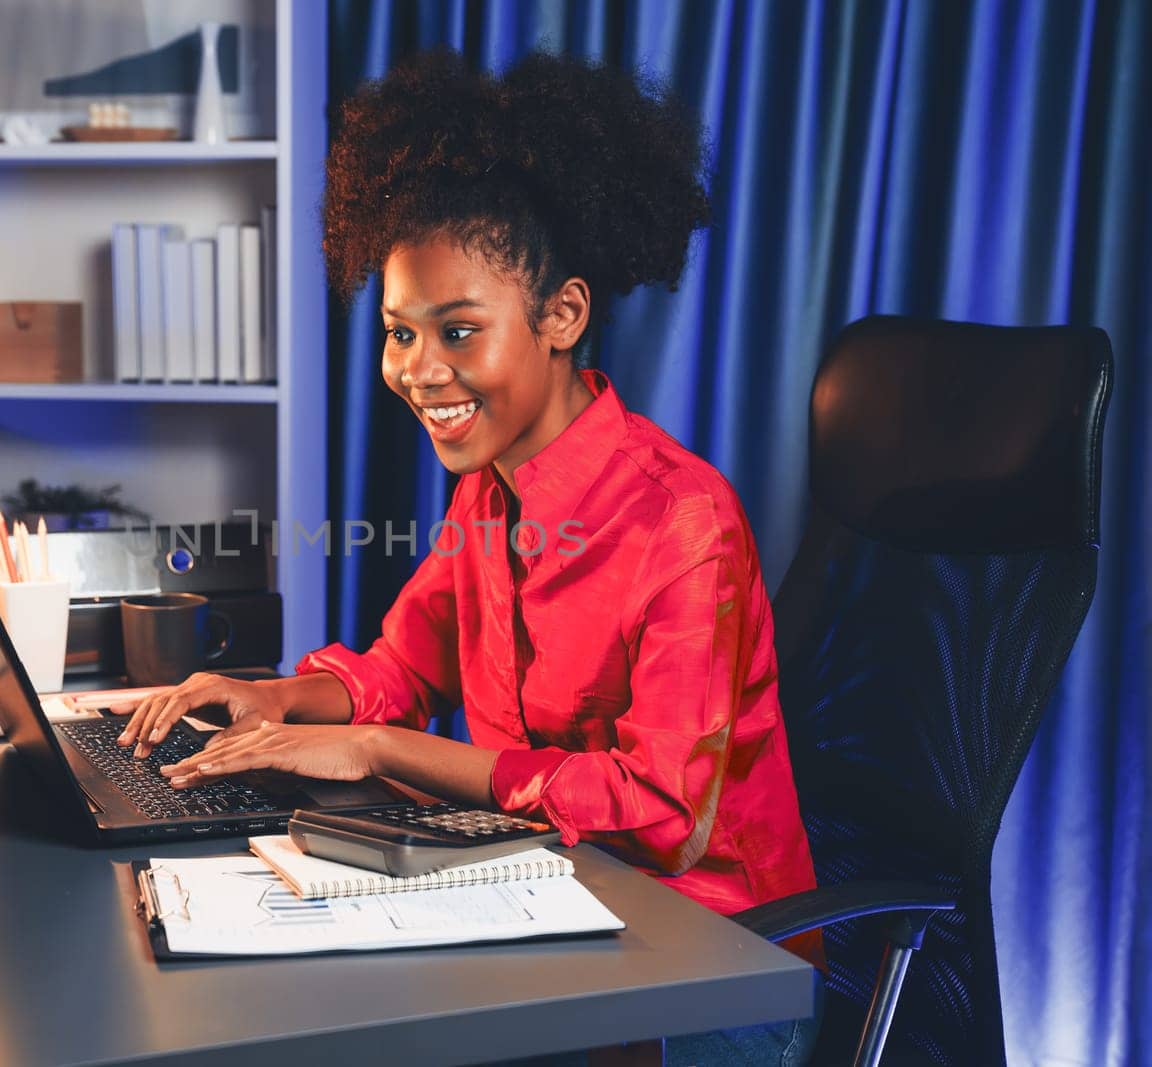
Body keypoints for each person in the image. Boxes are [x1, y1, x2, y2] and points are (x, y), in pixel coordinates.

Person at [114, 49, 822, 1065]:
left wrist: (382, 749)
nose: (418, 371)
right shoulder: (485, 491)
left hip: (711, 966)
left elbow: (663, 811)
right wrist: (270, 698)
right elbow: (401, 668)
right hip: (544, 899)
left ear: (561, 316)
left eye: (457, 330)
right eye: (400, 333)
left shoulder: (685, 522)